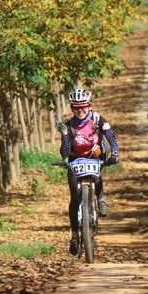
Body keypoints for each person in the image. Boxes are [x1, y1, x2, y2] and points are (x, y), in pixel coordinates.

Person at [57, 88, 119, 256]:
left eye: (83, 106)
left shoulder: (98, 120)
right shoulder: (69, 126)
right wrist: (64, 135)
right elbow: (64, 152)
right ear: (72, 108)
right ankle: (75, 236)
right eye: (76, 107)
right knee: (74, 199)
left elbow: (111, 137)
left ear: (89, 106)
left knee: (97, 175)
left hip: (94, 159)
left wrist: (114, 154)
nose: (80, 110)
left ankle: (101, 200)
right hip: (76, 162)